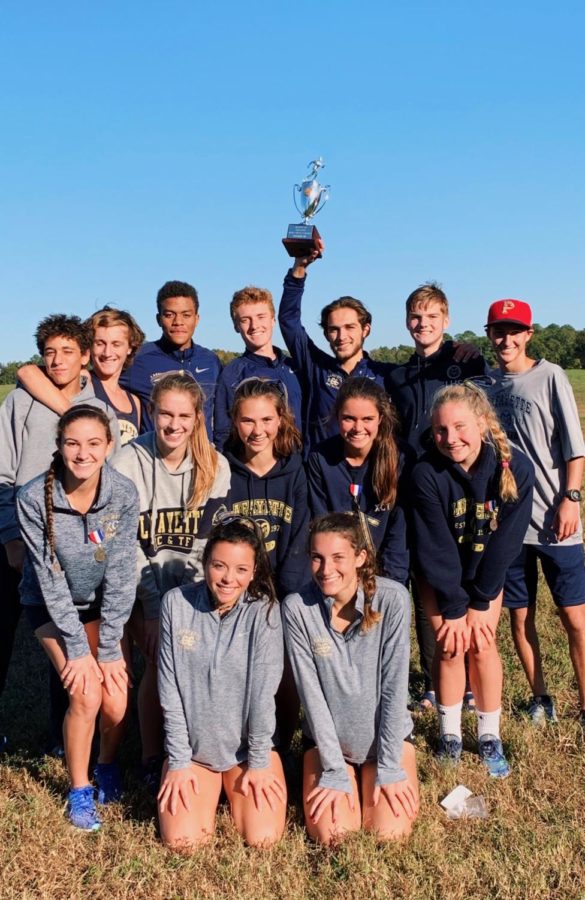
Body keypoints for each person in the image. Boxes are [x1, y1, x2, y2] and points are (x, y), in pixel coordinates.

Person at [16, 405, 139, 831]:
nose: (82, 453)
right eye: (72, 443)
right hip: (50, 607)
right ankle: (80, 788)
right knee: (85, 693)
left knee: (117, 699)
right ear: (59, 446)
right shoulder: (34, 498)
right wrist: (77, 651)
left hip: (102, 604)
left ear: (108, 446)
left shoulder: (122, 493)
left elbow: (123, 572)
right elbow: (49, 583)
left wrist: (106, 649)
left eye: (92, 443)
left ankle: (106, 764)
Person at [0, 314, 120, 750]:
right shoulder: (19, 401)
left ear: (85, 356)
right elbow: (2, 472)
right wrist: (10, 534)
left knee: (69, 637)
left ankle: (60, 735)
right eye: (49, 352)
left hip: (72, 542)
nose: (57, 360)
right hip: (19, 534)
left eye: (68, 351)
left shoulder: (98, 409)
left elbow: (112, 476)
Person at [112, 372, 231, 786]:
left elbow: (208, 544)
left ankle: (199, 748)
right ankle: (149, 756)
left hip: (194, 585)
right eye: (165, 414)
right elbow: (125, 546)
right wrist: (152, 608)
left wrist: (192, 604)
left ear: (197, 418)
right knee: (158, 667)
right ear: (152, 412)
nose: (174, 424)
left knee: (197, 662)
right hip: (143, 586)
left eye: (184, 415)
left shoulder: (214, 465)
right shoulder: (127, 462)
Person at [411, 383, 534, 777]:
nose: (451, 439)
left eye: (460, 427)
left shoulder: (516, 467)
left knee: (481, 644)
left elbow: (506, 543)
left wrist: (480, 602)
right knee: (449, 647)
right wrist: (452, 606)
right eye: (442, 430)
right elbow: (435, 546)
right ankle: (449, 735)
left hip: (485, 574)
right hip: (440, 576)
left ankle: (488, 734)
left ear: (481, 423)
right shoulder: (426, 472)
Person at [282, 513, 418, 845]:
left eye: (338, 557)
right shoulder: (297, 609)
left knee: (390, 833)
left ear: (360, 557)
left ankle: (373, 775)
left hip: (386, 744)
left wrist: (388, 765)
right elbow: (311, 699)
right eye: (317, 558)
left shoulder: (393, 599)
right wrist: (332, 768)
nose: (326, 569)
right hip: (330, 748)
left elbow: (393, 689)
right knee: (335, 835)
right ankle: (343, 777)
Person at [386, 282, 487, 711]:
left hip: (452, 487)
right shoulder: (398, 375)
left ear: (446, 320)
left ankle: (464, 681)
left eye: (431, 317)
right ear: (407, 322)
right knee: (422, 582)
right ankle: (433, 679)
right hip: (408, 488)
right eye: (416, 316)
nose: (422, 324)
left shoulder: (465, 362)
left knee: (454, 579)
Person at [157, 517, 286, 849]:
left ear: (254, 571)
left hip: (246, 753)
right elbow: (169, 691)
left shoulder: (265, 611)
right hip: (195, 754)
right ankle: (207, 786)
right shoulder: (175, 603)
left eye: (241, 569)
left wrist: (258, 762)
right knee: (183, 841)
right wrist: (179, 760)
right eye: (219, 566)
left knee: (264, 838)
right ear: (205, 563)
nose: (229, 578)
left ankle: (235, 788)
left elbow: (263, 695)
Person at [485, 299, 585, 724]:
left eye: (514, 330)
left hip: (554, 520)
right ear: (489, 335)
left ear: (528, 334)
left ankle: (584, 703)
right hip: (509, 525)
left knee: (574, 618)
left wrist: (571, 498)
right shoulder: (486, 386)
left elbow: (574, 447)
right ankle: (540, 697)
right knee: (520, 617)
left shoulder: (550, 376)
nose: (506, 339)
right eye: (498, 331)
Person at [224, 378, 310, 749]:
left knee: (286, 675)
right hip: (235, 592)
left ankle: (281, 745)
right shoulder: (221, 470)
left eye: (265, 420)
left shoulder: (296, 471)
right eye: (247, 421)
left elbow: (301, 536)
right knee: (238, 674)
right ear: (234, 422)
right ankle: (238, 741)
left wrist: (281, 597)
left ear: (280, 420)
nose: (257, 430)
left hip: (283, 592)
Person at [278, 245, 395, 453]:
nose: (341, 337)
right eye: (334, 330)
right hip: (319, 474)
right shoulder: (315, 366)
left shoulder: (385, 375)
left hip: (368, 475)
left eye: (350, 327)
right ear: (326, 334)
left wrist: (455, 348)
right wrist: (299, 268)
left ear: (365, 330)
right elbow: (289, 321)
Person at [307, 377, 410, 586]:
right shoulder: (320, 459)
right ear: (337, 416)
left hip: (386, 574)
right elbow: (322, 525)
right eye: (349, 418)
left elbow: (399, 532)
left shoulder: (400, 458)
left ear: (380, 418)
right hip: (337, 574)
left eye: (367, 419)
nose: (358, 427)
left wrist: (391, 585)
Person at [17, 306, 145, 445]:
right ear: (88, 347)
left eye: (116, 344)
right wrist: (74, 414)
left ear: (130, 348)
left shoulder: (134, 401)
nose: (107, 352)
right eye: (99, 343)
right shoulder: (84, 381)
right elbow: (27, 372)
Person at [120, 280, 222, 438]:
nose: (178, 322)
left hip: (202, 458)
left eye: (186, 315)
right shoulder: (139, 359)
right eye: (169, 315)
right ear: (158, 319)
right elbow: (103, 383)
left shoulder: (210, 361)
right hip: (157, 458)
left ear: (197, 318)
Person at [213, 285, 302, 450]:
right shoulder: (232, 374)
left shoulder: (295, 367)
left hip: (298, 467)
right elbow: (223, 433)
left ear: (273, 319)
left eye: (261, 316)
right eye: (245, 320)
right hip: (253, 468)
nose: (254, 325)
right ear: (236, 326)